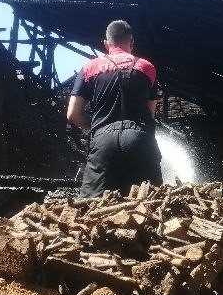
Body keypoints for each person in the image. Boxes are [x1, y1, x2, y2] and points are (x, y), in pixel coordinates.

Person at [67, 20, 163, 196]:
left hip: (103, 140)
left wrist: (96, 126)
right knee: (151, 202)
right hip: (139, 139)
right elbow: (150, 113)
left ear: (106, 43)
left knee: (91, 206)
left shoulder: (90, 67)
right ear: (132, 42)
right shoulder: (147, 67)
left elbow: (72, 114)